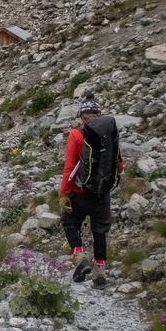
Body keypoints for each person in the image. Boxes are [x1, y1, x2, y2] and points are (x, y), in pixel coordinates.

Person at [58, 95, 124, 289]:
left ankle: (80, 258)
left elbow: (69, 167)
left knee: (69, 222)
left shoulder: (76, 135)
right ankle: (101, 274)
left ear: (81, 116)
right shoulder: (110, 132)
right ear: (98, 113)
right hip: (102, 192)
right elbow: (119, 163)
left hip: (79, 191)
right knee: (100, 231)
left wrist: (63, 193)